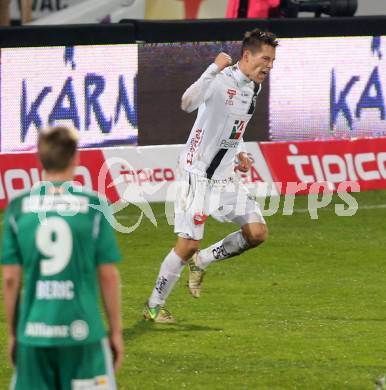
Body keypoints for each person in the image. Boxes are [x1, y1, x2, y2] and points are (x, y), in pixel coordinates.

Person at [143, 28, 278, 323]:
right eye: (265, 59)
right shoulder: (220, 80)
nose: (269, 66)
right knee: (187, 243)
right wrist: (213, 67)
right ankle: (153, 305)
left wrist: (240, 152)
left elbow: (232, 125)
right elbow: (187, 103)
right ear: (247, 55)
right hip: (198, 173)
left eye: (272, 61)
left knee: (257, 233)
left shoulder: (253, 87)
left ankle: (203, 260)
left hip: (225, 176)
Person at [1, 126, 123, 389]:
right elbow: (108, 275)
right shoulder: (93, 205)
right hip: (84, 332)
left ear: (39, 159)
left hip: (34, 334)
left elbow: (10, 278)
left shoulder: (18, 207)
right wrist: (115, 331)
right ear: (75, 158)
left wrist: (13, 334)